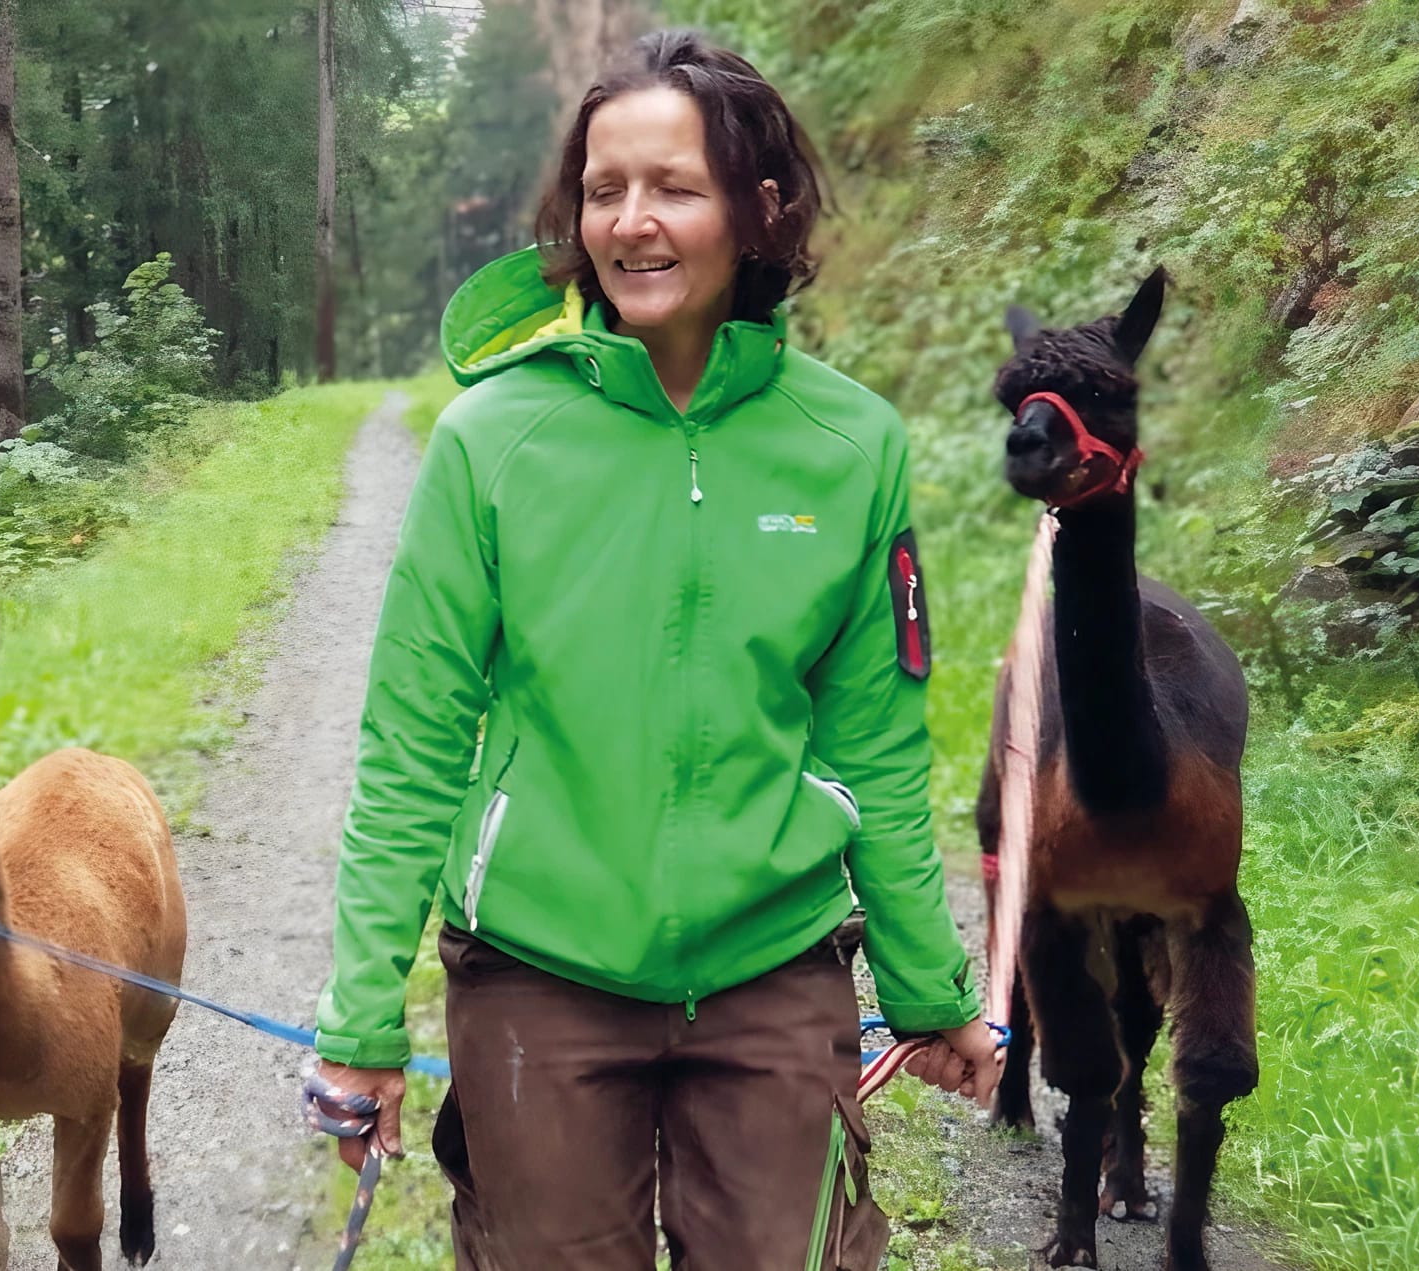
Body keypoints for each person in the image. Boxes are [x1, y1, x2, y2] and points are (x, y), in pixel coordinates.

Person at [302, 29, 1002, 1270]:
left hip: (771, 969)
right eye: (604, 189)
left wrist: (928, 986)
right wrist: (361, 1019)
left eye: (674, 187)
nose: (631, 222)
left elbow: (875, 749)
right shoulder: (490, 441)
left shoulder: (851, 447)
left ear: (758, 208)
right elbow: (412, 743)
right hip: (538, 974)